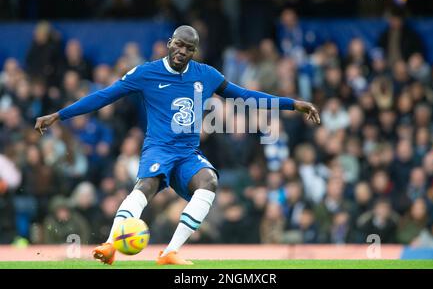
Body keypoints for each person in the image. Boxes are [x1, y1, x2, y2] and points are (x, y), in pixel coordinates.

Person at [34, 25, 321, 265]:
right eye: (179, 45)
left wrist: (293, 104)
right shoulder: (145, 73)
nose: (183, 51)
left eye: (190, 48)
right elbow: (103, 97)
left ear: (195, 51)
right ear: (170, 43)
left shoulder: (206, 74)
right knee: (146, 186)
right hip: (158, 148)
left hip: (187, 154)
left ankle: (170, 251)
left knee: (209, 181)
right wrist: (59, 115)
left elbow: (245, 95)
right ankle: (110, 245)